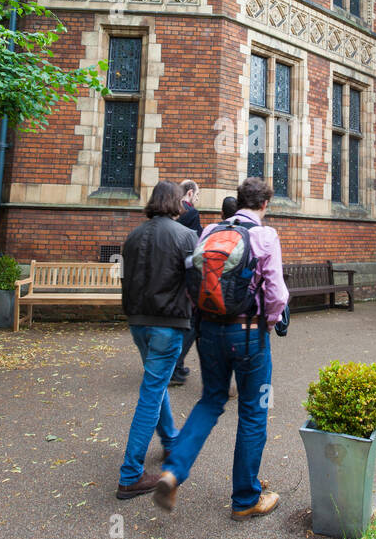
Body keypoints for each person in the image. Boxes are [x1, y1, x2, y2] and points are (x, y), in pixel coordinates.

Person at [154, 177, 288, 521]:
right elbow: (276, 295)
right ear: (264, 205)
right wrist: (268, 325)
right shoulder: (264, 236)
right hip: (249, 336)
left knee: (211, 400)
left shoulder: (210, 230)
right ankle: (245, 497)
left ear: (239, 200)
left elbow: (193, 283)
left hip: (209, 332)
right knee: (254, 411)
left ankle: (173, 471)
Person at [115, 181, 197, 500]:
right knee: (151, 391)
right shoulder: (186, 236)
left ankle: (172, 440)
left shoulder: (133, 236)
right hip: (167, 323)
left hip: (138, 322)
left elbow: (125, 280)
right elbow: (198, 282)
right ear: (177, 203)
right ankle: (131, 473)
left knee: (155, 382)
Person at [170, 180, 203, 387]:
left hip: (169, 276)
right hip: (186, 277)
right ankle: (175, 366)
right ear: (190, 193)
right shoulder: (191, 214)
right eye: (197, 196)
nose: (197, 200)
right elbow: (195, 243)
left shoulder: (171, 210)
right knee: (191, 324)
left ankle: (173, 365)